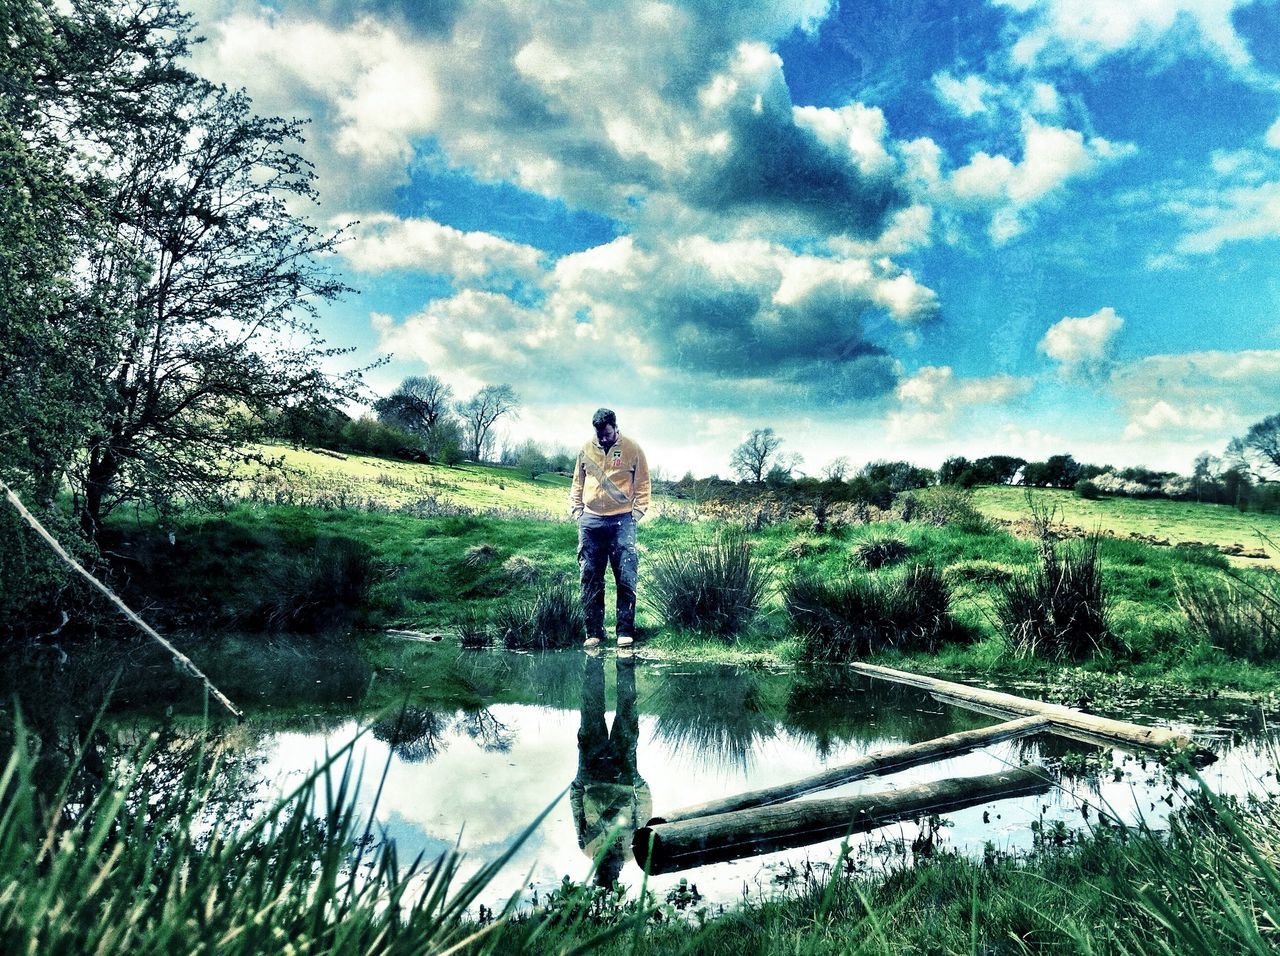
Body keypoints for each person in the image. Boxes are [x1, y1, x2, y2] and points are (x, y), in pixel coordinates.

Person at [569, 408, 650, 648]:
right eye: (599, 435)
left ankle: (625, 631)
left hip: (621, 521)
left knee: (625, 575)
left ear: (615, 427)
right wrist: (577, 511)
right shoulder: (585, 449)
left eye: (607, 434)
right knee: (590, 577)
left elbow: (643, 483)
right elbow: (577, 481)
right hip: (590, 521)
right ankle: (594, 632)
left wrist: (637, 512)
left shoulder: (633, 448)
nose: (603, 439)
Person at [570, 651, 650, 887]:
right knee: (628, 709)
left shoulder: (586, 847)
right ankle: (626, 660)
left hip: (592, 773)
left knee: (590, 708)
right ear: (617, 875)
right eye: (610, 874)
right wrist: (638, 781)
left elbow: (577, 811)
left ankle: (593, 659)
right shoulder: (633, 849)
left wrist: (578, 779)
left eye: (600, 873)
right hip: (623, 774)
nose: (606, 868)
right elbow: (644, 812)